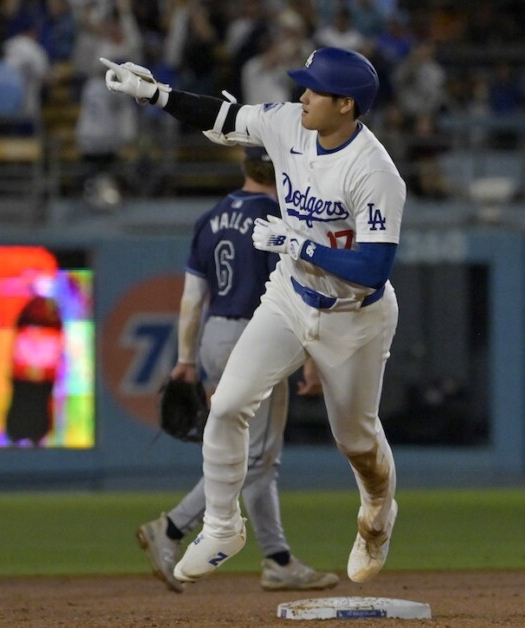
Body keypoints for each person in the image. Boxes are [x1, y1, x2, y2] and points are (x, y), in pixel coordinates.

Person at [101, 45, 405, 586]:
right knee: (227, 407)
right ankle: (221, 527)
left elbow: (374, 268)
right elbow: (222, 117)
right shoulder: (289, 124)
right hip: (290, 296)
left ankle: (377, 518)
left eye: (315, 89)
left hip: (354, 316)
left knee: (356, 442)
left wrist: (299, 242)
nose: (303, 95)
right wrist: (155, 94)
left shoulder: (375, 170)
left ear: (347, 105)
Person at [136, 146, 339, 594]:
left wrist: (187, 360)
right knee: (251, 458)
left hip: (214, 337)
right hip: (258, 336)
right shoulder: (281, 220)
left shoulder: (210, 218)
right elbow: (296, 292)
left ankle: (278, 560)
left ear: (245, 165)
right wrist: (310, 357)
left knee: (259, 458)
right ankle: (171, 529)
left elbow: (192, 300)